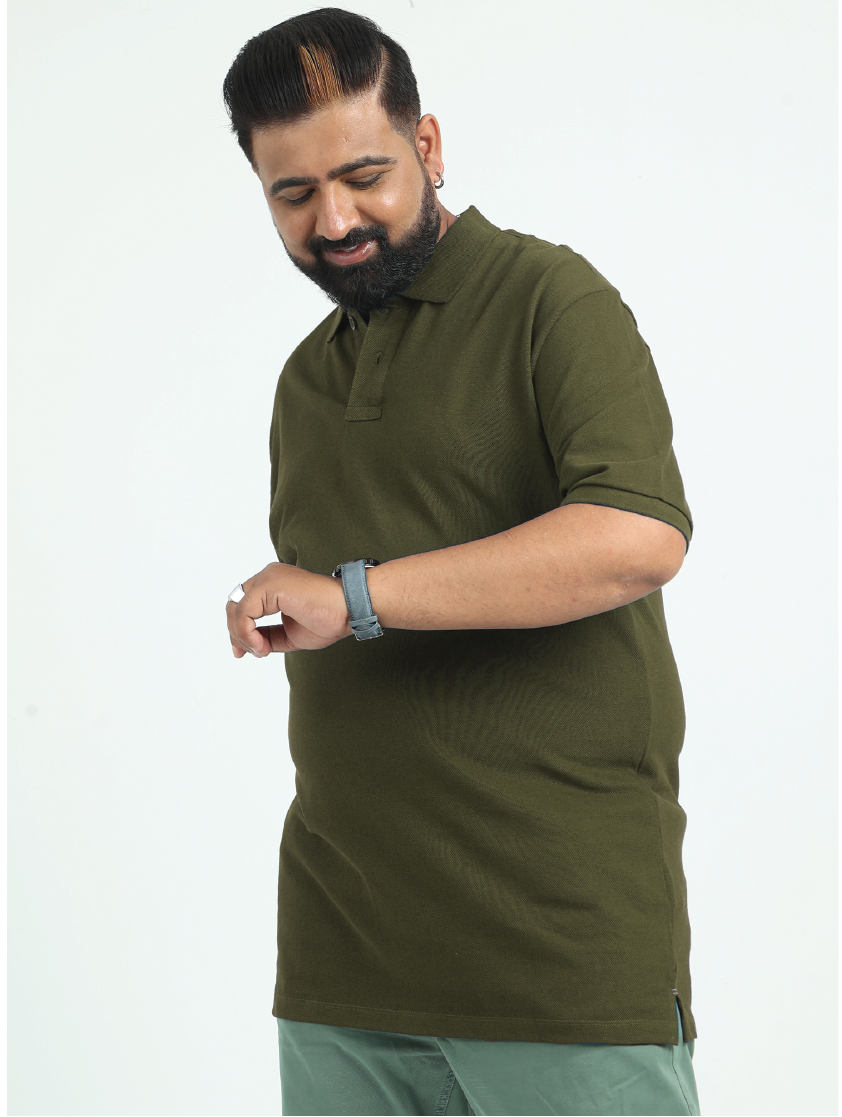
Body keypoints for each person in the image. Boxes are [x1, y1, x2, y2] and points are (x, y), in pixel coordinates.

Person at [222, 8, 700, 1115]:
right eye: (293, 194)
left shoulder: (549, 300)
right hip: (342, 959)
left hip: (555, 961)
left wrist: (355, 595)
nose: (334, 220)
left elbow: (637, 536)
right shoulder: (305, 379)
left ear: (427, 146)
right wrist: (294, 606)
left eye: (364, 177)